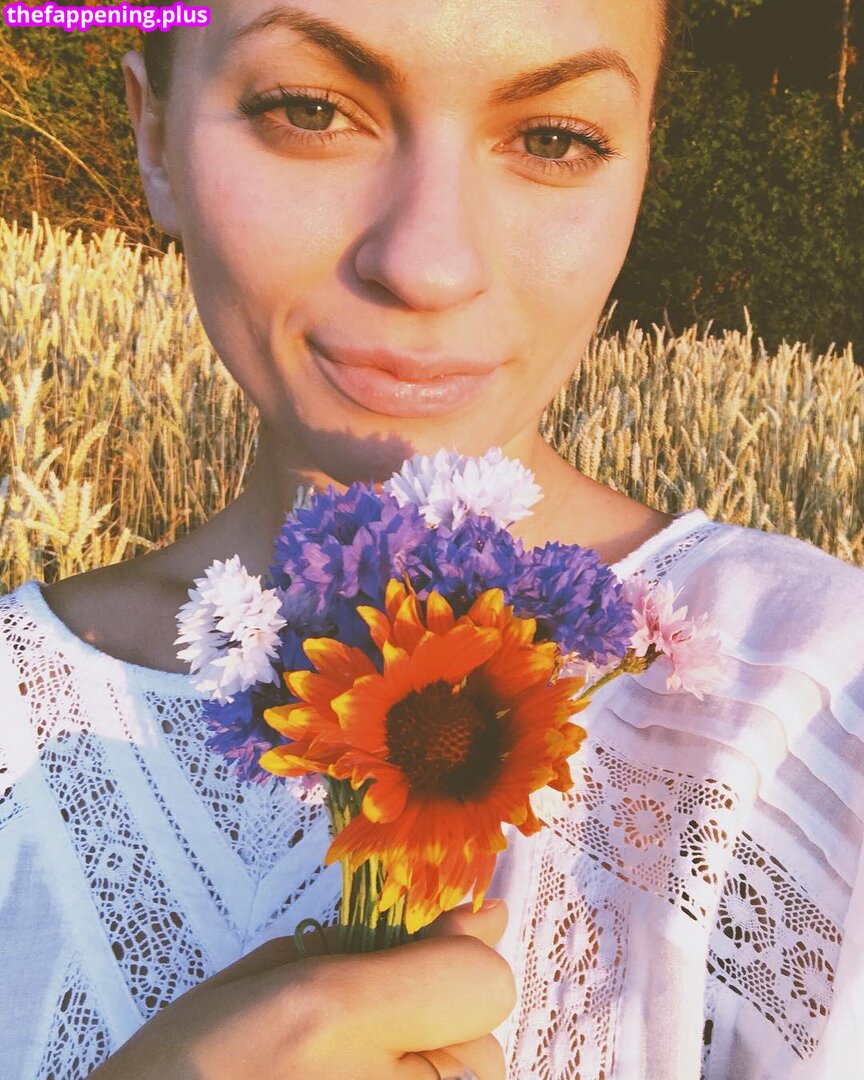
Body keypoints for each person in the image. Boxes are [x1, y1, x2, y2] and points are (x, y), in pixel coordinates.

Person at [0, 1, 862, 1077]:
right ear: (154, 137)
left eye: (553, 137)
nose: (428, 265)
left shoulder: (822, 711)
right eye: (310, 111)